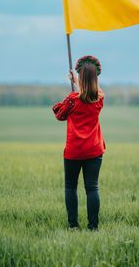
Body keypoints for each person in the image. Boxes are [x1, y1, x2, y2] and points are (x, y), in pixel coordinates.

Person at [52, 55, 106, 231]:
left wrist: (61, 101)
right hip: (94, 150)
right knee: (92, 188)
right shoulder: (100, 98)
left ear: (80, 78)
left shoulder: (72, 100)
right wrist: (77, 82)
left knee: (70, 187)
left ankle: (73, 225)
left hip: (74, 151)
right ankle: (93, 227)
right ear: (96, 78)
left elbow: (60, 115)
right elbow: (90, 93)